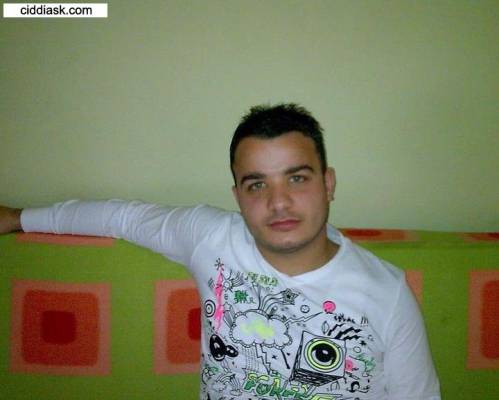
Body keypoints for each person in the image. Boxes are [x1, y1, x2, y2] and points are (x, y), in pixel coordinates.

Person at [0, 104, 440, 399]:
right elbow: (122, 217)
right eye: (257, 184)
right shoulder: (212, 239)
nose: (279, 202)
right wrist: (17, 218)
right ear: (237, 196)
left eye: (297, 178)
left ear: (328, 183)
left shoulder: (386, 293)